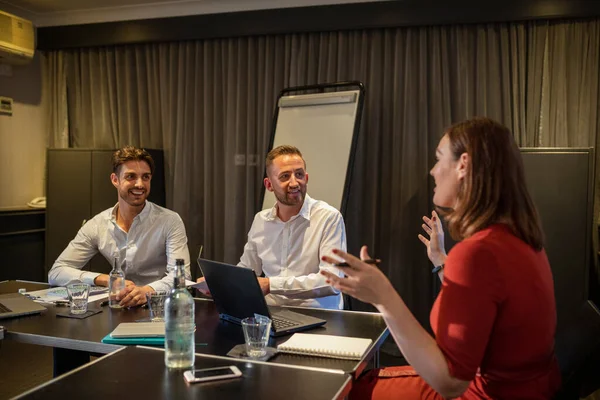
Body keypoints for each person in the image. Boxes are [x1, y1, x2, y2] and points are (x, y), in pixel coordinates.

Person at [321, 117, 560, 399]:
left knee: (351, 389)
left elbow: (449, 381)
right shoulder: (521, 239)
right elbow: (484, 309)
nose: (433, 171)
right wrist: (441, 261)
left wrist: (382, 295)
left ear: (463, 165)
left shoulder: (477, 253)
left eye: (438, 158)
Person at [197, 145, 346, 309]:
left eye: (299, 174)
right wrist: (219, 282)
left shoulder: (329, 218)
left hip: (320, 316)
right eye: (285, 176)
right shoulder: (261, 220)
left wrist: (270, 285)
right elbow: (247, 270)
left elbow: (332, 281)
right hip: (271, 313)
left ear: (307, 178)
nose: (294, 182)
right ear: (269, 185)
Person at [49, 146, 191, 308]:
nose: (140, 184)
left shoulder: (170, 221)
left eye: (145, 177)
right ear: (115, 180)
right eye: (131, 176)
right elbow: (57, 272)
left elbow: (182, 277)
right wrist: (104, 279)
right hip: (117, 306)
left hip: (160, 307)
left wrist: (147, 290)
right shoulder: (97, 224)